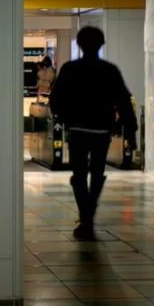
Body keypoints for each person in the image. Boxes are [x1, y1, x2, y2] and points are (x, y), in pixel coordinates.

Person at [49, 27, 137, 241]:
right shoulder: (109, 70)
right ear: (101, 44)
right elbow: (124, 102)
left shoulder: (70, 69)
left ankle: (85, 218)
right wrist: (130, 132)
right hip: (102, 130)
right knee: (97, 173)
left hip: (78, 129)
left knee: (79, 175)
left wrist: (63, 117)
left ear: (79, 44)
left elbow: (56, 99)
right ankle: (88, 217)